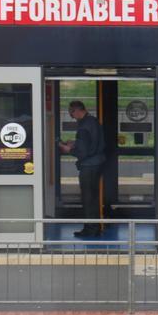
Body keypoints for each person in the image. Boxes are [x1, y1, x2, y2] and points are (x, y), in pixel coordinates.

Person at [58, 100, 106, 237]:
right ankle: (94, 228)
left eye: (71, 113)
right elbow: (93, 143)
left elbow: (84, 152)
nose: (72, 116)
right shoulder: (93, 121)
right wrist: (76, 143)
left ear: (77, 110)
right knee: (93, 198)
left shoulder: (84, 126)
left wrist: (68, 149)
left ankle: (90, 230)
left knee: (88, 198)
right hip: (97, 164)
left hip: (89, 166)